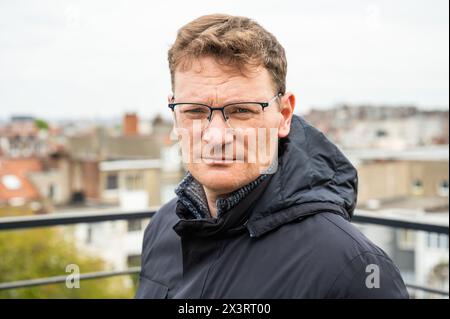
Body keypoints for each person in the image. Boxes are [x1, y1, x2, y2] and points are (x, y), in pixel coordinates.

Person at [136, 13, 409, 299]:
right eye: (194, 111)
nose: (216, 137)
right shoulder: (163, 227)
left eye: (242, 111)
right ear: (175, 114)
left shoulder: (352, 269)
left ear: (284, 115)